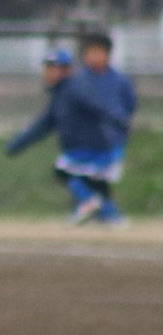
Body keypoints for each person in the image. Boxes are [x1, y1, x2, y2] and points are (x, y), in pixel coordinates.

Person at [5, 48, 128, 224]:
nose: (49, 73)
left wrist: (120, 123)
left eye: (54, 69)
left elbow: (97, 108)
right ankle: (111, 217)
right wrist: (17, 143)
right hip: (79, 148)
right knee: (94, 183)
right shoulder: (60, 94)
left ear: (66, 70)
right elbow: (44, 124)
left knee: (64, 170)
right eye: (47, 69)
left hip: (93, 146)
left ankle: (88, 203)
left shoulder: (75, 89)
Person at [70, 32, 136, 226]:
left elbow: (130, 104)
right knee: (81, 176)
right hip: (86, 139)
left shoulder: (120, 81)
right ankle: (103, 213)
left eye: (98, 52)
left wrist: (120, 124)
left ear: (107, 54)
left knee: (99, 177)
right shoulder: (79, 80)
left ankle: (107, 214)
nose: (93, 57)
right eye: (89, 53)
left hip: (113, 138)